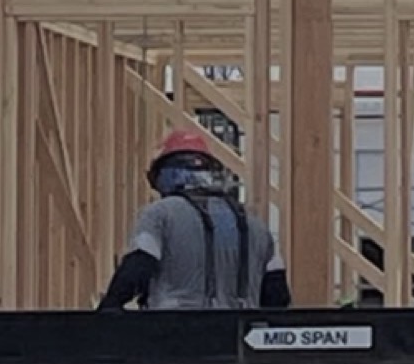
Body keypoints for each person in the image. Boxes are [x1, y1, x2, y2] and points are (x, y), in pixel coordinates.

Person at [98, 129, 292, 311]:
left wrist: (109, 307)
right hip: (239, 335)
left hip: (175, 331)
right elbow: (277, 294)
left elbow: (139, 265)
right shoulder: (255, 224)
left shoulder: (161, 214)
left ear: (163, 175)